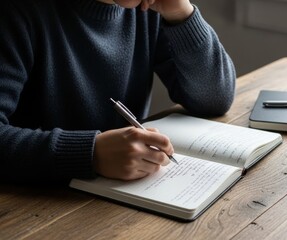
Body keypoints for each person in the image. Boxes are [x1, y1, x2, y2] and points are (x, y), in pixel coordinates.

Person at [0, 0, 236, 183]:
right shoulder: (16, 11)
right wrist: (90, 153)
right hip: (36, 205)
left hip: (123, 196)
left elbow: (215, 98)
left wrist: (181, 14)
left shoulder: (146, 10)